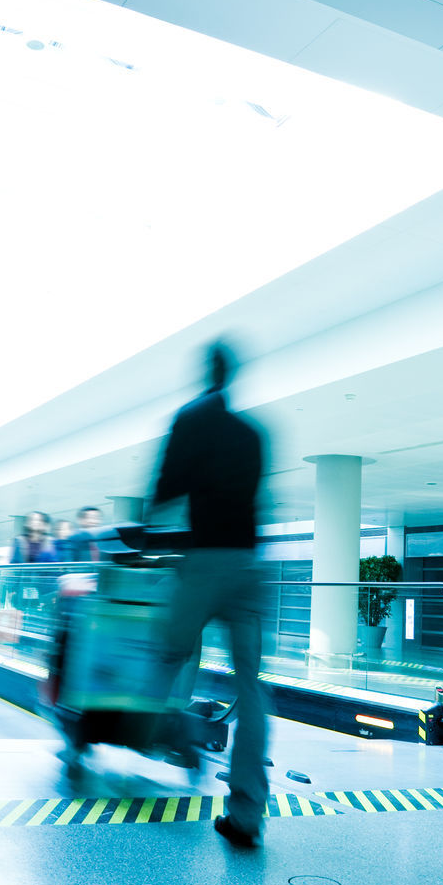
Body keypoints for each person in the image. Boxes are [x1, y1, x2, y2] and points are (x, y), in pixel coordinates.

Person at [148, 339, 268, 849]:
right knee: (252, 687)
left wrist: (150, 528)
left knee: (161, 658)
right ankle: (246, 814)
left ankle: (182, 738)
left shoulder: (191, 417)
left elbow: (166, 488)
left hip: (205, 562)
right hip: (248, 563)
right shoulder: (253, 433)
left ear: (206, 371)